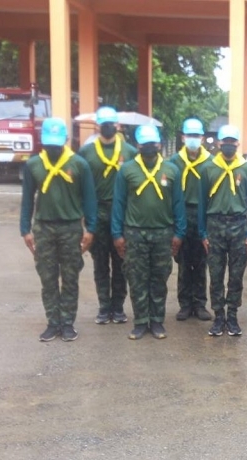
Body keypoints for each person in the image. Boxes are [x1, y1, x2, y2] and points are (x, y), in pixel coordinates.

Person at [20, 118, 97, 342]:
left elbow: (89, 198)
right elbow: (27, 199)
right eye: (49, 144)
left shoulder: (79, 165)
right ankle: (53, 323)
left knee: (71, 277)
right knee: (48, 277)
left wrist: (90, 228)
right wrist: (25, 229)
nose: (53, 148)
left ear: (66, 140)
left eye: (57, 143)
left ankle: (68, 323)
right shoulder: (33, 165)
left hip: (70, 227)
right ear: (42, 141)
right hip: (43, 228)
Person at [111, 125, 186, 340]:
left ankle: (157, 321)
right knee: (137, 279)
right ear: (138, 146)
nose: (150, 147)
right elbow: (119, 203)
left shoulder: (171, 170)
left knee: (159, 279)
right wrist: (117, 234)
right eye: (145, 144)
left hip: (163, 233)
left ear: (159, 145)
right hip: (135, 233)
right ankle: (141, 322)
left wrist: (179, 233)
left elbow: (178, 204)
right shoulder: (127, 170)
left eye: (153, 143)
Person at [77, 106, 137, 325]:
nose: (108, 127)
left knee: (122, 262)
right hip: (97, 212)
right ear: (97, 125)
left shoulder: (130, 152)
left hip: (122, 214)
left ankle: (118, 307)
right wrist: (84, 219)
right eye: (104, 124)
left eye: (111, 123)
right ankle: (104, 307)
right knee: (100, 263)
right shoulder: (86, 152)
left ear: (118, 125)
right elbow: (80, 187)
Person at [198, 125, 247, 337]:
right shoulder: (208, 168)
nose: (228, 145)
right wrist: (203, 233)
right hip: (215, 225)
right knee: (215, 274)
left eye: (232, 141)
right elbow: (202, 203)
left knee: (236, 275)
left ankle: (232, 316)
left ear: (238, 143)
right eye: (225, 141)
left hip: (239, 226)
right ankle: (218, 317)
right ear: (219, 143)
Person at [170, 118, 214, 322]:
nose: (193, 139)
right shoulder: (174, 162)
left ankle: (200, 304)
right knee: (184, 263)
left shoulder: (211, 162)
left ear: (202, 138)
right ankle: (185, 304)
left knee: (201, 262)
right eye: (190, 135)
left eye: (196, 135)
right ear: (183, 137)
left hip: (203, 215)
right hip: (182, 214)